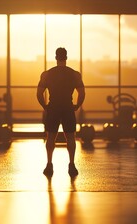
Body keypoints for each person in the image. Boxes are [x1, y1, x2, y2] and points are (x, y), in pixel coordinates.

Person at [37, 47, 85, 177]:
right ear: (66, 57)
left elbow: (39, 93)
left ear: (56, 57)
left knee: (51, 137)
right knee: (70, 137)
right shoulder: (74, 74)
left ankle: (49, 164)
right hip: (68, 108)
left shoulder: (47, 74)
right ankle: (71, 164)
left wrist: (45, 106)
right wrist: (77, 106)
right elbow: (82, 92)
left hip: (53, 108)